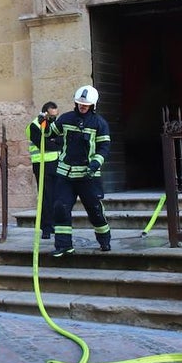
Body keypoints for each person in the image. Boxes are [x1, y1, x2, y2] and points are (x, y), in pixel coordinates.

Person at [48, 85, 111, 256]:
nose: (82, 106)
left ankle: (104, 240)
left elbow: (104, 147)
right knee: (60, 208)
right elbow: (49, 132)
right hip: (66, 174)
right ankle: (63, 246)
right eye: (79, 104)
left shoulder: (100, 124)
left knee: (95, 210)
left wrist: (95, 164)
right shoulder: (65, 118)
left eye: (86, 104)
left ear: (93, 105)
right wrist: (44, 123)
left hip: (88, 176)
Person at [27, 101, 59, 238]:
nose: (54, 119)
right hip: (42, 164)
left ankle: (52, 225)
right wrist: (54, 143)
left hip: (56, 163)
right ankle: (46, 227)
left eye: (55, 116)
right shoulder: (34, 125)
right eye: (52, 116)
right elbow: (43, 144)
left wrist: (55, 142)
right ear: (45, 113)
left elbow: (61, 141)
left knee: (55, 196)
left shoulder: (54, 125)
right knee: (45, 197)